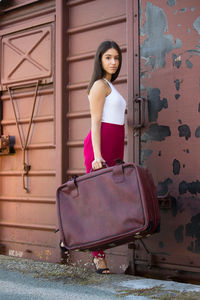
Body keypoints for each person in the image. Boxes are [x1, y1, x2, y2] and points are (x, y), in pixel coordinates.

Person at [83, 40, 126, 274]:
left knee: (108, 201)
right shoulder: (100, 85)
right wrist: (97, 156)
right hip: (100, 147)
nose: (113, 62)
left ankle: (72, 232)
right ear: (100, 59)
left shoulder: (111, 85)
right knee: (100, 202)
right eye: (108, 57)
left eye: (116, 58)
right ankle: (98, 257)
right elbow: (95, 122)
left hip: (114, 146)